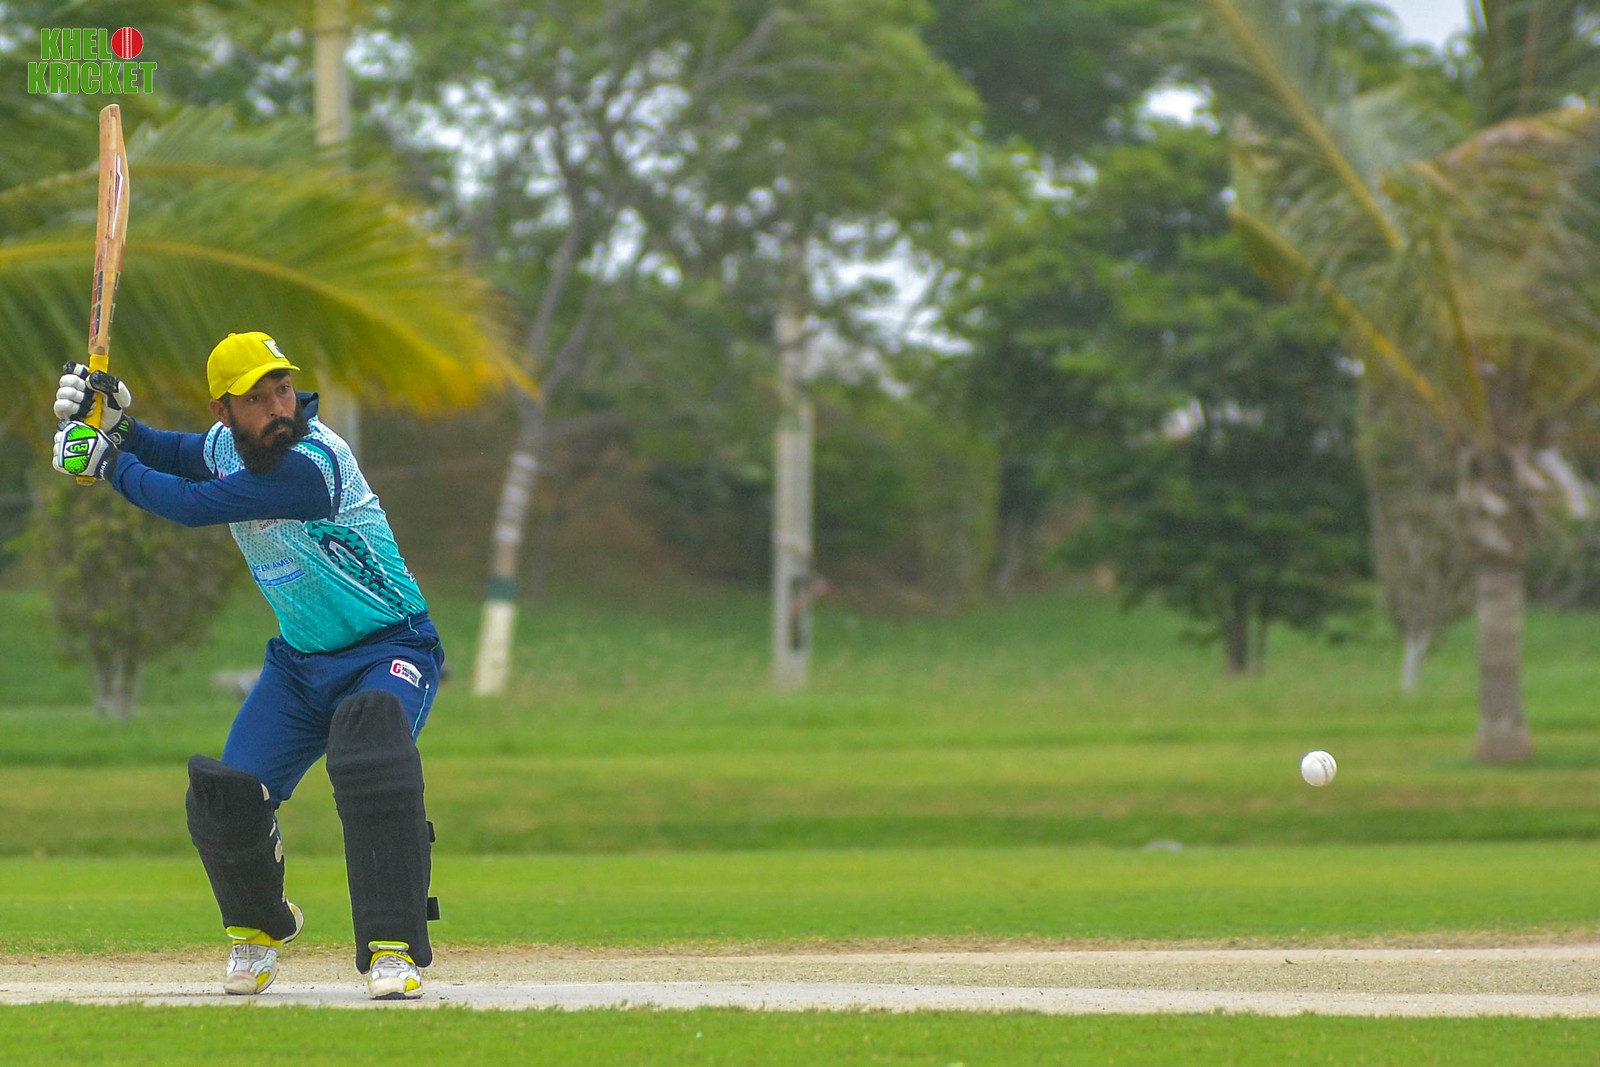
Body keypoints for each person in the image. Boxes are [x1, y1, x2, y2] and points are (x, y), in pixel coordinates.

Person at [51, 331, 443, 1001]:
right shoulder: (228, 446)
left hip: (389, 648)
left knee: (370, 743)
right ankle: (260, 930)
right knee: (225, 796)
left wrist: (107, 461)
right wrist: (116, 422)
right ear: (223, 411)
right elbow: (179, 453)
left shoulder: (312, 463)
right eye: (256, 399)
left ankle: (392, 949)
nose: (278, 408)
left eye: (283, 390)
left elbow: (192, 503)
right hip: (300, 664)